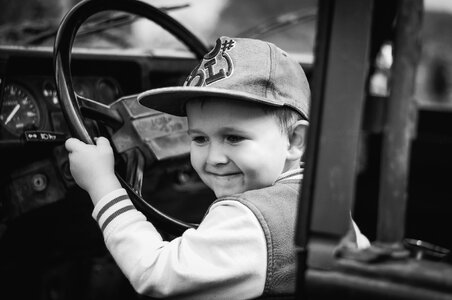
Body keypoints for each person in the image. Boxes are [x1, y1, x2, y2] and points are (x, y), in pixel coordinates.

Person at [65, 36, 367, 299]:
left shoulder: (247, 220)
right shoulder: (324, 204)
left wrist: (103, 184)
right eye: (199, 138)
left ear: (295, 140)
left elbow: (155, 273)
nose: (214, 158)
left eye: (233, 138)